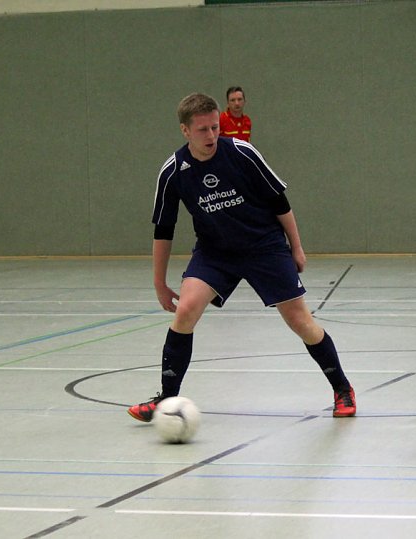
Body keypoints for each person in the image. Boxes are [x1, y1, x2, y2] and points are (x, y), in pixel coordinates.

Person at [128, 93, 355, 421]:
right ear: (185, 131)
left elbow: (280, 203)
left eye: (215, 127)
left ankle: (342, 388)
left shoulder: (241, 153)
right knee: (186, 311)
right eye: (203, 130)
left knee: (300, 322)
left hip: (264, 246)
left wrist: (297, 247)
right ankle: (166, 399)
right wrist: (159, 283)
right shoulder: (174, 171)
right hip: (215, 252)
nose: (211, 136)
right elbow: (163, 230)